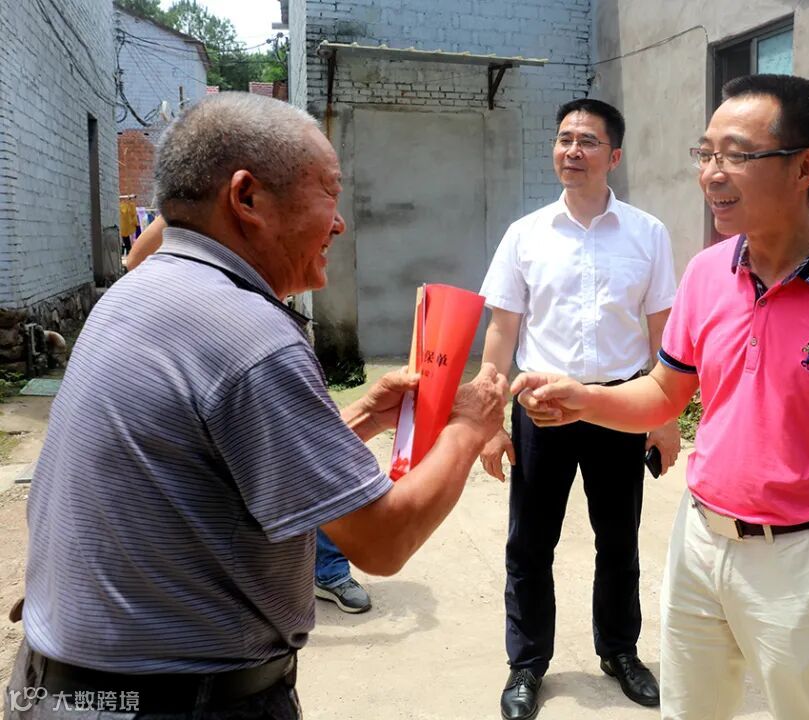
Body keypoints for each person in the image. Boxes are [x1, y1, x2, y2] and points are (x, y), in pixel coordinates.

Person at [5, 92, 508, 720]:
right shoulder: (249, 334)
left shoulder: (137, 292)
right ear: (246, 198)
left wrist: (361, 419)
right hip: (176, 704)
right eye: (329, 192)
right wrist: (470, 425)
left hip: (62, 688)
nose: (340, 222)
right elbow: (383, 540)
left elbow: (217, 463)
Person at [510, 74, 809, 720]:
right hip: (699, 542)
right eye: (706, 153)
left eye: (736, 155)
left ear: (805, 167)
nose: (711, 173)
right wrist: (582, 400)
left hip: (801, 561)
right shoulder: (707, 273)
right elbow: (665, 392)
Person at [478, 97, 679, 720]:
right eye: (564, 139)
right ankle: (527, 664)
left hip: (619, 406)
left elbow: (663, 333)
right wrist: (490, 422)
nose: (572, 150)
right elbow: (501, 332)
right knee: (529, 543)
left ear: (613, 156)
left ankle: (620, 652)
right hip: (541, 407)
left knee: (619, 540)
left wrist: (664, 418)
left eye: (587, 141)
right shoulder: (526, 234)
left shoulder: (647, 233)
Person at [126, 214, 375, 615]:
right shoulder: (192, 229)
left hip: (265, 337)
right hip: (222, 350)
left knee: (305, 457)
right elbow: (136, 260)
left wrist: (370, 415)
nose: (338, 223)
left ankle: (327, 570)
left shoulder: (270, 223)